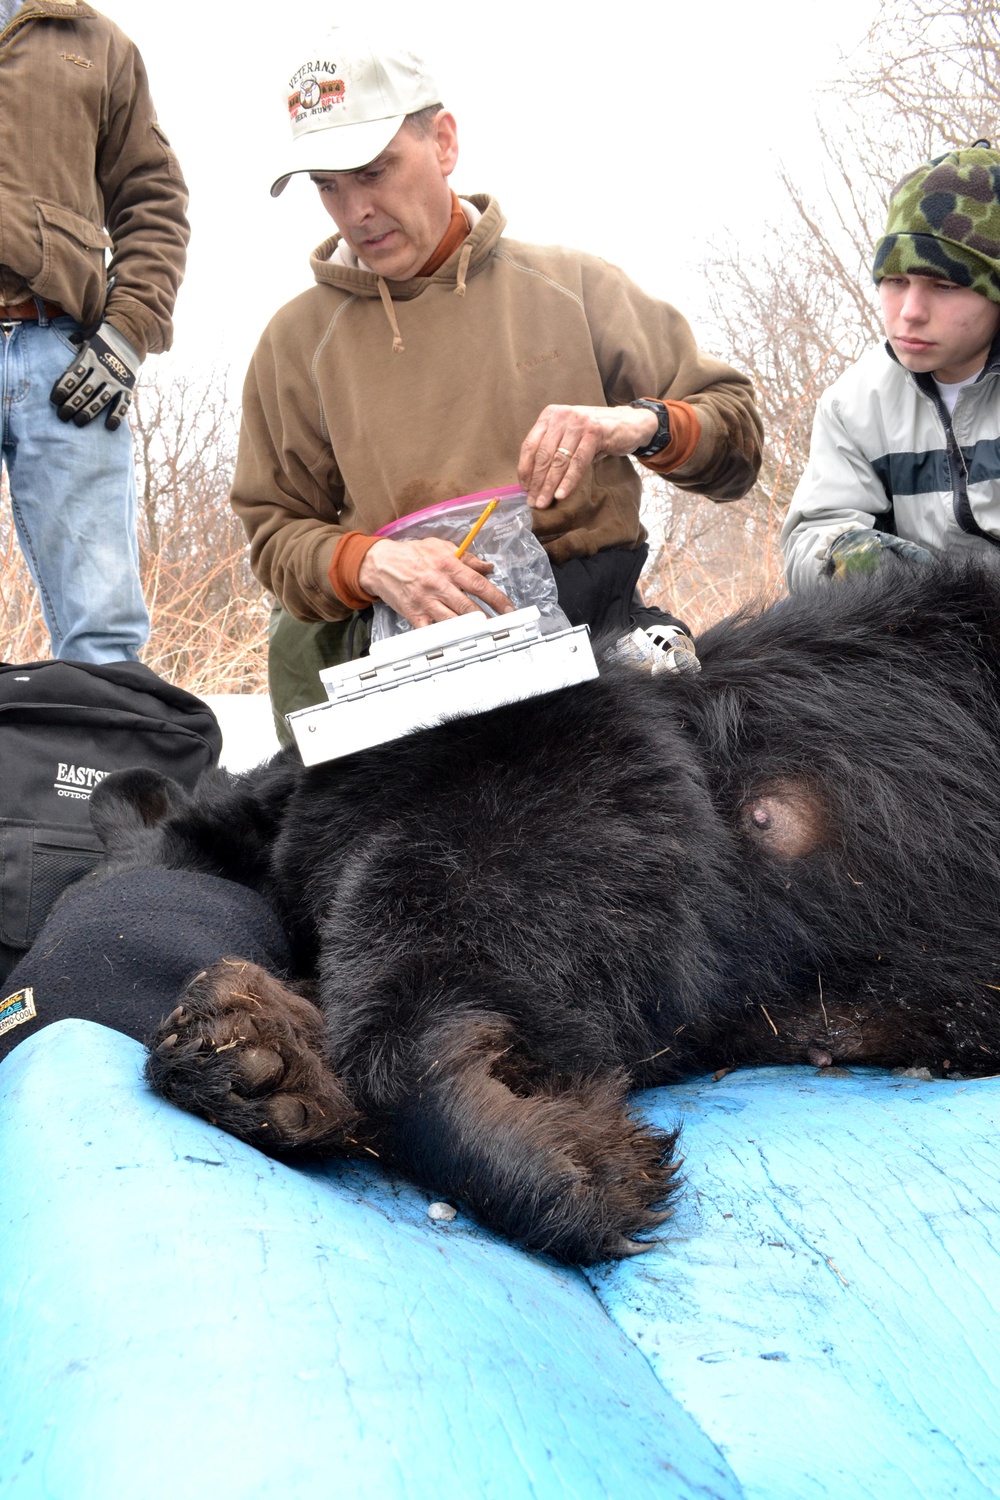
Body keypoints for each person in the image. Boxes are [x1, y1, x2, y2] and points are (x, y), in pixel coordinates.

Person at [229, 27, 763, 734]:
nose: (354, 210)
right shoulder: (295, 342)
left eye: (373, 170)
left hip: (592, 631)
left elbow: (737, 441)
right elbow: (274, 535)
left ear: (444, 142)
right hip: (409, 661)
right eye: (327, 186)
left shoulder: (573, 285)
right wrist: (370, 563)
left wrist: (637, 424)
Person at [0, 0, 190, 662]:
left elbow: (154, 200)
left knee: (103, 632)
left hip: (65, 357)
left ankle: (105, 768)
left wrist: (128, 332)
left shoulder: (95, 42)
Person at [782, 141, 1000, 589]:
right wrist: (860, 561)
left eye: (944, 284)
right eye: (895, 281)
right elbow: (811, 538)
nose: (910, 311)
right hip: (924, 632)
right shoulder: (854, 405)